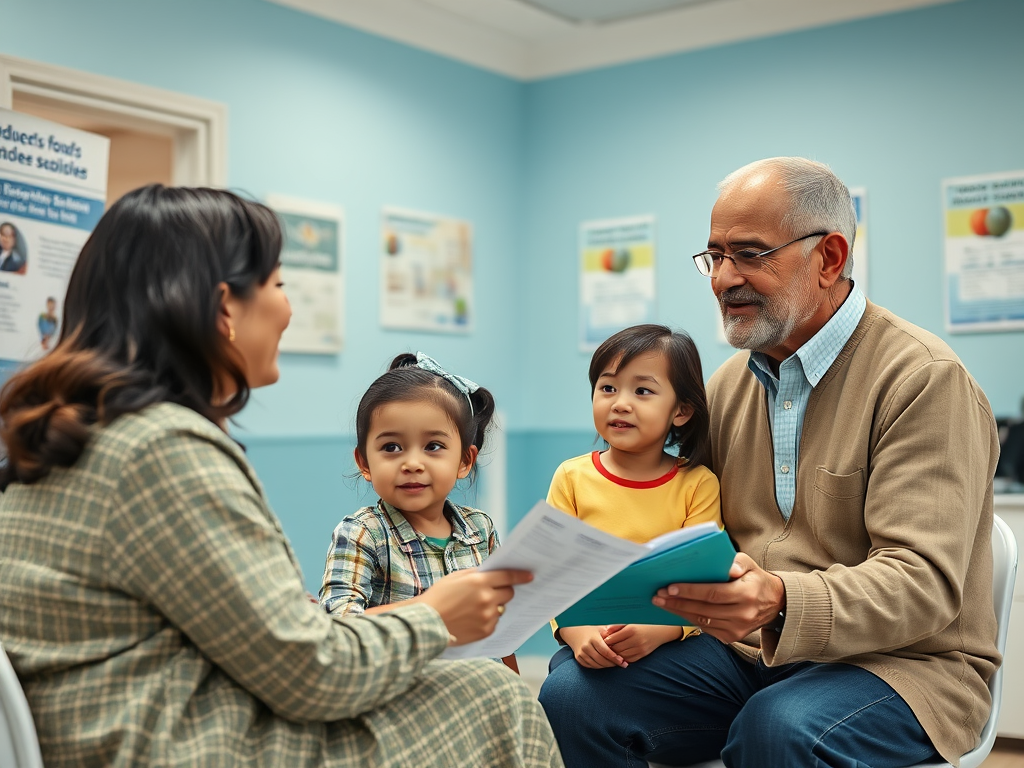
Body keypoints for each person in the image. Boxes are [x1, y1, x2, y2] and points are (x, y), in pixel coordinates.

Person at [0, 185, 562, 768]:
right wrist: (435, 616)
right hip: (182, 745)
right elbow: (312, 672)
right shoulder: (162, 448)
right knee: (495, 698)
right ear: (224, 308)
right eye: (276, 284)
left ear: (465, 458)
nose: (288, 308)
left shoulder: (86, 432)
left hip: (116, 730)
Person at [539, 157, 1000, 768]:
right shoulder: (728, 386)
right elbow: (678, 522)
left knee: (778, 728)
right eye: (715, 256)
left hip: (907, 667)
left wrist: (781, 598)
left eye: (750, 254)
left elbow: (924, 583)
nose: (724, 279)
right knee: (574, 693)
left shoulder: (923, 381)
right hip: (750, 653)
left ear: (829, 258)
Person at [320, 351, 519, 672]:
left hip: (482, 687)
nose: (412, 463)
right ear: (364, 462)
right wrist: (432, 609)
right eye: (391, 448)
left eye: (433, 447)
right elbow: (338, 627)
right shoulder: (362, 532)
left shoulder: (480, 529)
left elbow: (500, 630)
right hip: (404, 693)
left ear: (465, 461)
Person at [545, 324, 721, 671]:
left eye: (642, 391)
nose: (620, 404)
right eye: (608, 387)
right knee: (563, 689)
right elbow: (553, 575)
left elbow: (703, 580)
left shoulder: (697, 484)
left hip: (671, 642)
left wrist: (660, 630)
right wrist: (577, 633)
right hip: (589, 634)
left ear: (681, 411)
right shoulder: (571, 477)